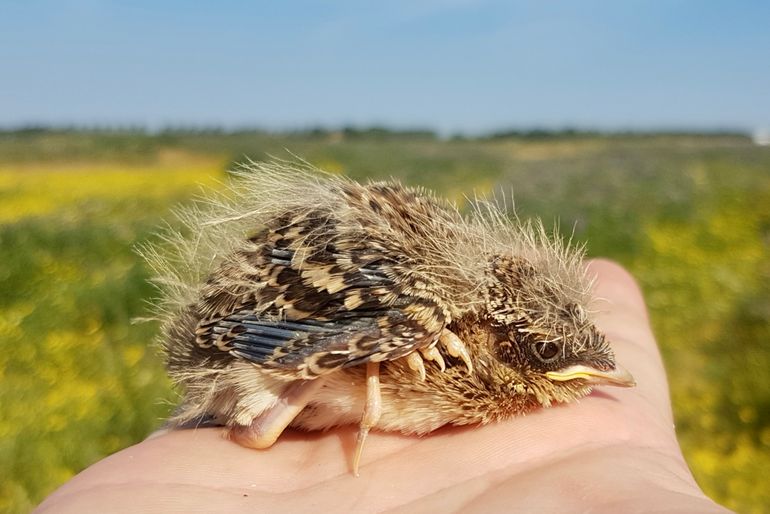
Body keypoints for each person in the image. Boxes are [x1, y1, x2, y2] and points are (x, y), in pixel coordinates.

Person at [35, 260, 730, 513]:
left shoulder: (456, 335)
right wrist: (336, 366)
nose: (612, 378)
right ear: (502, 344)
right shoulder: (424, 326)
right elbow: (230, 337)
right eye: (546, 351)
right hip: (255, 351)